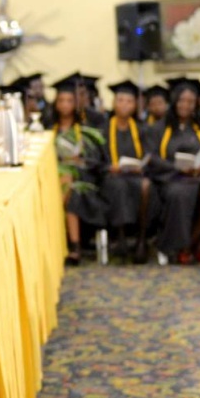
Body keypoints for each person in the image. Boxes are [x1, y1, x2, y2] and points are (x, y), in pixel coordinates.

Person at [146, 79, 200, 265]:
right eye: (182, 100)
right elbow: (152, 157)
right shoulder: (159, 128)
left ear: (196, 103)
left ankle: (189, 244)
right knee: (180, 194)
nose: (186, 105)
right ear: (174, 101)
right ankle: (190, 245)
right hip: (172, 178)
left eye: (190, 101)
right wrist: (176, 167)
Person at [49, 77, 107, 265]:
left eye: (69, 101)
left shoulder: (85, 129)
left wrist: (80, 159)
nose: (65, 105)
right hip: (52, 175)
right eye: (61, 100)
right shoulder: (49, 127)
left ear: (76, 104)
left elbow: (96, 159)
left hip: (83, 178)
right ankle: (70, 244)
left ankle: (71, 245)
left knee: (69, 187)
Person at [100, 80, 159, 262]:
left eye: (129, 101)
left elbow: (151, 155)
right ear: (113, 103)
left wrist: (141, 166)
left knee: (146, 186)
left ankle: (141, 240)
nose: (124, 105)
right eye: (120, 100)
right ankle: (121, 237)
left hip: (136, 176)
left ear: (135, 105)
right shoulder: (103, 129)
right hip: (111, 177)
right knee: (117, 186)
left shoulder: (143, 130)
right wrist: (109, 167)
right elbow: (95, 160)